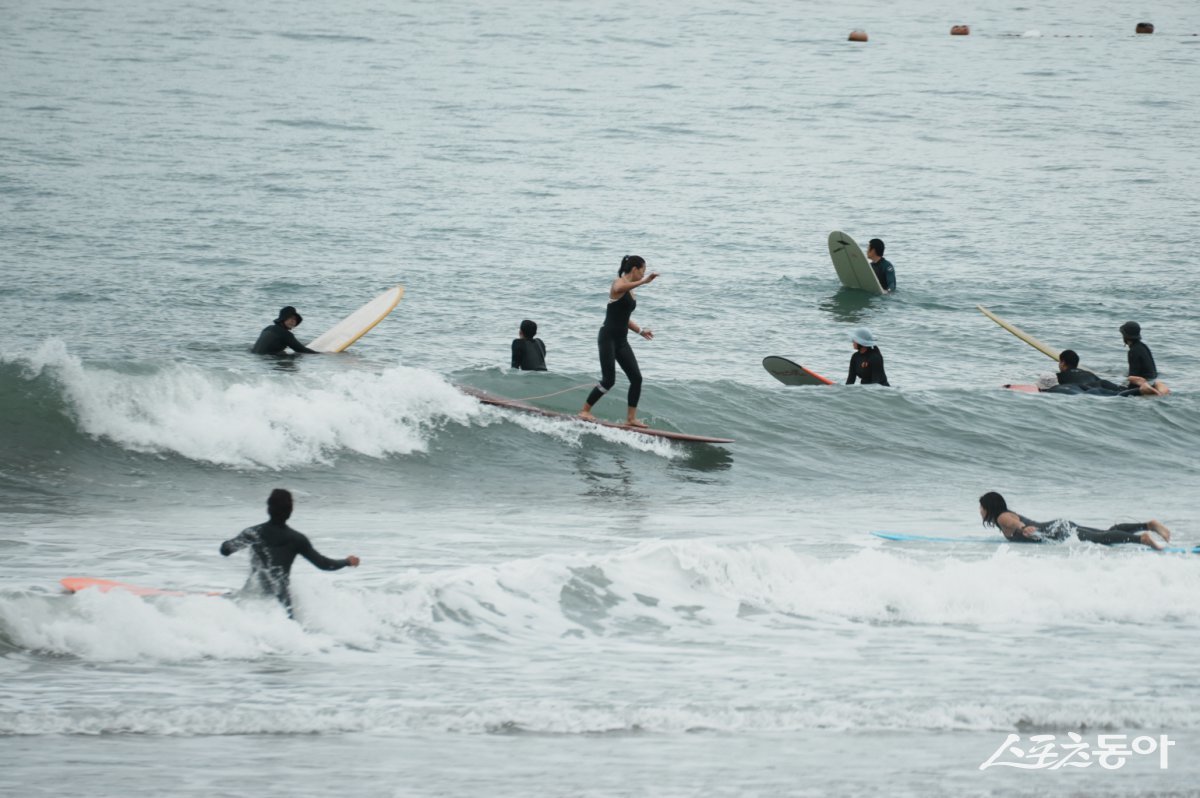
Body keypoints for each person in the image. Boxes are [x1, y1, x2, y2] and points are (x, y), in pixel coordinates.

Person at [220, 489, 360, 617]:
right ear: (290, 510)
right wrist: (347, 561)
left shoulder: (254, 533)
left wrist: (231, 543)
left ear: (268, 508)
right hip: (281, 604)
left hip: (252, 597)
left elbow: (226, 550)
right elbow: (324, 564)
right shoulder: (297, 539)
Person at [579, 255, 659, 427]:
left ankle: (631, 418)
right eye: (643, 270)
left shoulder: (631, 290)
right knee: (609, 380)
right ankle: (585, 411)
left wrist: (640, 330)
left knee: (636, 378)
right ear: (635, 269)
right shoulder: (618, 284)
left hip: (621, 340)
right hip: (607, 338)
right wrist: (644, 281)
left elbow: (624, 318)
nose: (643, 273)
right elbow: (620, 286)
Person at [978, 491, 1171, 549]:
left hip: (1058, 531)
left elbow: (1014, 523)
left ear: (989, 507)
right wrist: (1023, 528)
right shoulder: (1005, 515)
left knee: (1102, 537)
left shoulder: (1002, 517)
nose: (980, 510)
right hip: (1059, 526)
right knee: (1105, 532)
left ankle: (1141, 539)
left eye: (981, 506)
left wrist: (1022, 528)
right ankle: (1147, 525)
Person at [1119, 321, 1168, 395]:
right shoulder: (1143, 346)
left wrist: (1125, 389)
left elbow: (1133, 376)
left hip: (1140, 386)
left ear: (1125, 336)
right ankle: (1157, 387)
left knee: (1101, 386)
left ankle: (1148, 390)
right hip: (1151, 381)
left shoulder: (1133, 351)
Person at [251, 306, 319, 355]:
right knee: (298, 357)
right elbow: (301, 350)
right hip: (268, 360)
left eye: (295, 319)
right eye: (290, 318)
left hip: (257, 358)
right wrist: (321, 354)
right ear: (283, 319)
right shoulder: (285, 334)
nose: (293, 321)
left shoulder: (268, 328)